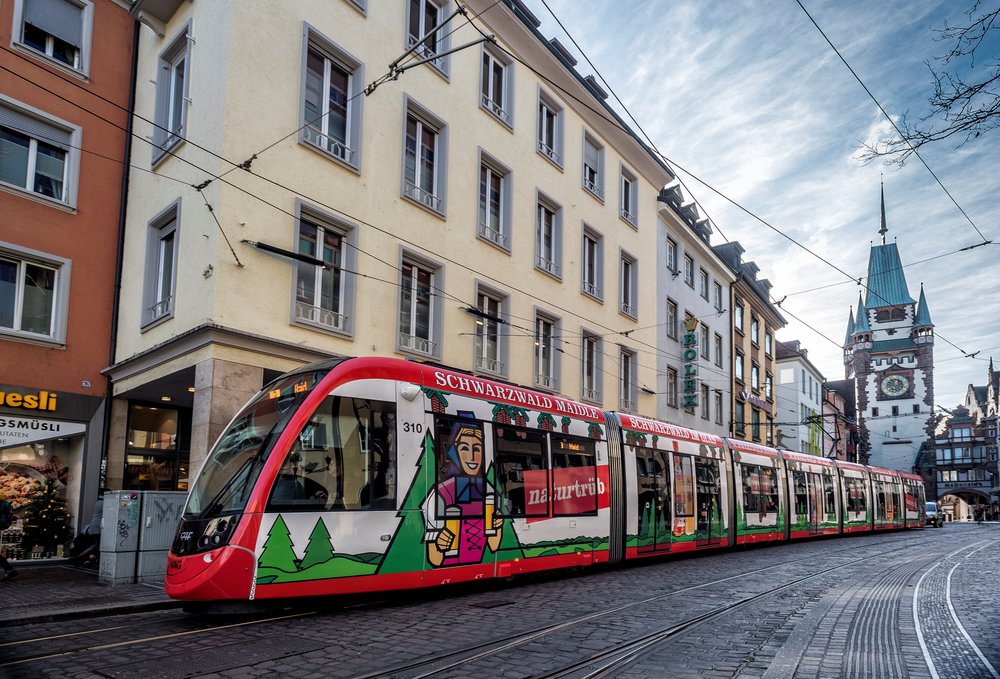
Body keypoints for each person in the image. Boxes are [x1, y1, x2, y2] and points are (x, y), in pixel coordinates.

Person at [70, 489, 106, 566]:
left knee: (96, 545)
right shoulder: (103, 503)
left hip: (96, 527)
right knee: (95, 545)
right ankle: (78, 558)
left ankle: (81, 558)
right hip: (98, 528)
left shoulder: (99, 502)